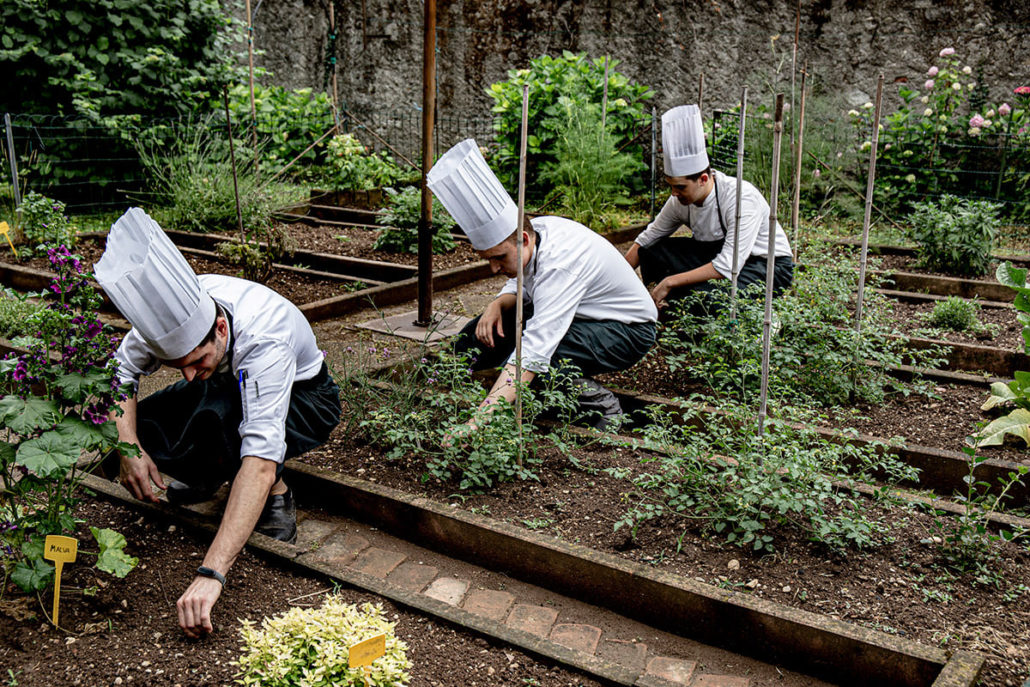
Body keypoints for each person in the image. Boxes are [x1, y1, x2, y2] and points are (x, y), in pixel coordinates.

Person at [94, 208, 341, 638]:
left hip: (309, 398)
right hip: (229, 383)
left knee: (227, 428)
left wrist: (212, 572)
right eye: (176, 366)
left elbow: (261, 458)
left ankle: (278, 497)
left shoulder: (265, 339)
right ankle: (209, 473)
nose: (186, 373)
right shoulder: (175, 313)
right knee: (148, 424)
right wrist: (129, 448)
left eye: (194, 362)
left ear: (221, 328)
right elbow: (120, 375)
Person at [426, 139, 658, 430]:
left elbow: (534, 350)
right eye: (486, 259)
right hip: (586, 316)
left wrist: (478, 422)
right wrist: (497, 303)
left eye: (498, 258)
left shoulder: (562, 265)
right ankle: (463, 378)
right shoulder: (539, 231)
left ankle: (606, 409)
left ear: (523, 239)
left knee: (544, 359)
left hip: (627, 330)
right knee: (479, 332)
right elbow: (524, 280)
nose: (493, 268)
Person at [624, 104, 794, 312]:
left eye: (680, 187)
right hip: (715, 254)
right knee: (650, 251)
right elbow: (648, 237)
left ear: (703, 179)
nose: (673, 193)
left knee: (705, 299)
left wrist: (670, 281)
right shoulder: (679, 201)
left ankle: (677, 300)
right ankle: (663, 302)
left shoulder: (741, 197)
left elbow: (727, 266)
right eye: (670, 186)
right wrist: (614, 278)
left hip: (765, 265)